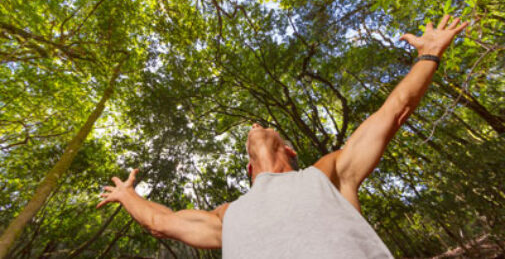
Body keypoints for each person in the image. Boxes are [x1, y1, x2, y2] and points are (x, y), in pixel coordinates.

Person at [97, 15, 468, 258]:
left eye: (266, 126)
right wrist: (128, 195)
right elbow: (160, 222)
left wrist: (429, 55)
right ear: (248, 168)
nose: (257, 125)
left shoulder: (329, 174)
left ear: (289, 148)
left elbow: (393, 114)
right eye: (255, 129)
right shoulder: (228, 215)